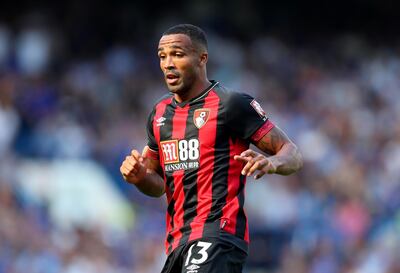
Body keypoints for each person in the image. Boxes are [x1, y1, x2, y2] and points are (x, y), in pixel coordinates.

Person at [120, 24, 303, 273]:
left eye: (178, 54)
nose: (168, 64)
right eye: (162, 56)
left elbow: (291, 153)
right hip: (177, 242)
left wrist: (271, 163)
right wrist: (140, 177)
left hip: (219, 234)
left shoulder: (231, 104)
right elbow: (159, 184)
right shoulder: (159, 114)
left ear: (201, 58)